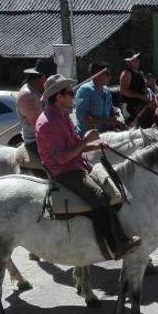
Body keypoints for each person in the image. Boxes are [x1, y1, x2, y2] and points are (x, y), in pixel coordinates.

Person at [35, 74, 141, 259]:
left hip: (76, 163)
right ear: (58, 97)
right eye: (69, 93)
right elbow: (62, 158)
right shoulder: (48, 123)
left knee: (114, 182)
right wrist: (87, 140)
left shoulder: (63, 115)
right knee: (100, 196)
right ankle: (115, 245)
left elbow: (75, 145)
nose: (73, 96)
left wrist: (96, 144)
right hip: (63, 171)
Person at [16, 58, 56, 159]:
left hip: (50, 137)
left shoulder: (41, 91)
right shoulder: (28, 96)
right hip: (36, 140)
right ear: (43, 78)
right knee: (62, 162)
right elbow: (41, 127)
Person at [74, 62, 125, 135]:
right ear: (98, 74)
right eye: (107, 74)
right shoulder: (84, 91)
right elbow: (81, 117)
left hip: (107, 133)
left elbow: (111, 112)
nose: (110, 77)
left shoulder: (107, 92)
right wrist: (107, 121)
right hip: (88, 136)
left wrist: (117, 119)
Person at [119, 51, 153, 122]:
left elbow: (143, 88)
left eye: (136, 59)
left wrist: (147, 92)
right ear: (128, 63)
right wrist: (140, 96)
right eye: (133, 60)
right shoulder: (126, 74)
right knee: (129, 121)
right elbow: (124, 91)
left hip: (142, 102)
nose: (136, 61)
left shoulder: (141, 73)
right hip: (129, 105)